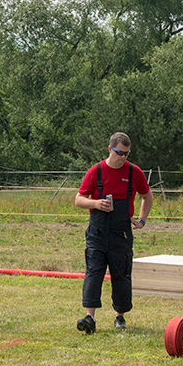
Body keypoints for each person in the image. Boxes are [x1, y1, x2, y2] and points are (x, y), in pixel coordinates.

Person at [75, 132, 153, 333]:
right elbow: (78, 199)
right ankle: (89, 317)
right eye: (120, 153)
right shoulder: (96, 171)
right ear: (110, 149)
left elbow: (147, 196)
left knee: (122, 274)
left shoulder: (134, 172)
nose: (124, 157)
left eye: (127, 153)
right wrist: (95, 203)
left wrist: (142, 220)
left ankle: (120, 316)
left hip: (121, 233)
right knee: (94, 272)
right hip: (97, 232)